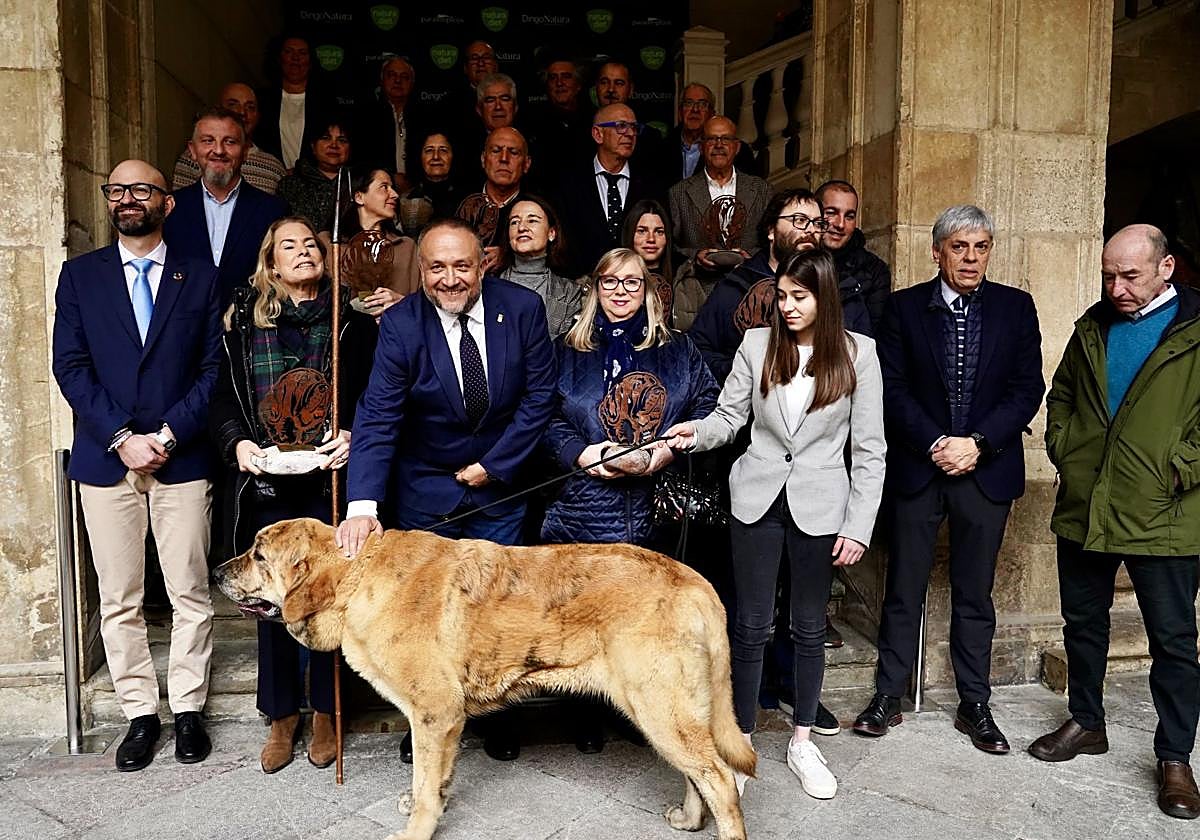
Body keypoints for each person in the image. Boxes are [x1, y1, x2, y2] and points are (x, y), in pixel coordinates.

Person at [665, 248, 886, 800]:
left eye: (799, 297)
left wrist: (858, 525)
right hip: (757, 498)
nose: (785, 307)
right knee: (751, 625)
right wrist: (695, 432)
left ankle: (803, 740)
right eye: (781, 295)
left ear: (825, 298)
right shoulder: (756, 344)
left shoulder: (860, 355)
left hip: (821, 502)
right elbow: (728, 417)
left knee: (809, 627)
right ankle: (740, 741)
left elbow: (871, 449)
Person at [336, 218, 556, 762]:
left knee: (498, 606)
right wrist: (361, 505)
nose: (450, 279)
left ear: (483, 263)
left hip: (499, 486)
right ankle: (426, 716)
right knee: (426, 612)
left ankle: (498, 714)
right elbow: (379, 415)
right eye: (436, 267)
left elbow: (540, 400)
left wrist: (494, 464)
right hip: (425, 489)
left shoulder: (523, 310)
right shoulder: (402, 324)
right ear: (422, 269)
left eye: (462, 266)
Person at [852, 205, 1044, 754]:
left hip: (987, 469)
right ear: (937, 252)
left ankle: (975, 704)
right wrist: (936, 442)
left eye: (981, 247)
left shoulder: (1015, 307)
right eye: (959, 247)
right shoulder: (905, 308)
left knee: (975, 592)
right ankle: (888, 695)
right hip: (920, 467)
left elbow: (1027, 388)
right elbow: (892, 386)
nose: (971, 258)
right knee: (903, 588)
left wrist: (977, 444)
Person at [51, 159, 222, 772]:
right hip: (106, 459)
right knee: (120, 596)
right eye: (117, 190)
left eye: (142, 189)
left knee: (190, 592)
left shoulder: (198, 278)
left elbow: (212, 371)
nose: (127, 199)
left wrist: (169, 434)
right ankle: (140, 715)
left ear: (166, 203)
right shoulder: (80, 277)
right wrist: (123, 436)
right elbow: (70, 367)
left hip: (183, 455)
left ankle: (190, 710)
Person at [1033, 224, 1200, 819]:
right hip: (1087, 505)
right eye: (1108, 275)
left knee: (1174, 641)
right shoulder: (1091, 328)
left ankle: (1175, 757)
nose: (1116, 287)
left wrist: (1180, 468)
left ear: (1166, 268)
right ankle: (1086, 722)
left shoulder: (1194, 332)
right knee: (1083, 623)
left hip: (1165, 514)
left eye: (1130, 275)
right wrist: (1066, 450)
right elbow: (1063, 397)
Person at [208, 217, 377, 774]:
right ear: (270, 261)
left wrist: (353, 433)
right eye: (289, 246)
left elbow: (375, 393)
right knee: (270, 594)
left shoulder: (348, 321)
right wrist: (237, 445)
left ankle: (328, 708)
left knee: (328, 591)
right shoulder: (242, 325)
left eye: (311, 244)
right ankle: (282, 714)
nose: (303, 252)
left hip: (329, 477)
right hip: (268, 478)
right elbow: (223, 395)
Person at [541, 246, 718, 755]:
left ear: (649, 291)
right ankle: (584, 714)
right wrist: (582, 453)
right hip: (581, 508)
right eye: (611, 281)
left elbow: (707, 405)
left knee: (643, 620)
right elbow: (545, 418)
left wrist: (668, 448)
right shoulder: (565, 350)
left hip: (652, 509)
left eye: (632, 282)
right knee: (581, 616)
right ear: (595, 288)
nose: (621, 291)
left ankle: (635, 712)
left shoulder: (678, 349)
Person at [689, 189, 824, 380]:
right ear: (771, 230)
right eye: (800, 220)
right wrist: (740, 373)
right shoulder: (736, 286)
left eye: (818, 223)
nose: (811, 230)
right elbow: (697, 348)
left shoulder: (835, 288)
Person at [163, 106, 287, 307]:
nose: (219, 150)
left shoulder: (273, 211)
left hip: (250, 328)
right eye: (208, 141)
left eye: (230, 142)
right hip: (185, 330)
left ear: (245, 151)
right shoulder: (170, 208)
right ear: (192, 150)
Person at [555, 103, 660, 278]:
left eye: (634, 127)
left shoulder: (651, 184)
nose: (630, 133)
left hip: (636, 285)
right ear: (598, 134)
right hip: (580, 286)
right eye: (621, 126)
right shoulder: (569, 183)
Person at [668, 116, 771, 271]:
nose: (718, 145)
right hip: (699, 286)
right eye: (712, 139)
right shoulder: (679, 193)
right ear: (702, 147)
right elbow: (671, 247)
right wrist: (696, 256)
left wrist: (750, 256)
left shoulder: (762, 190)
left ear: (736, 147)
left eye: (726, 139)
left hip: (748, 282)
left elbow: (772, 241)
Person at [319, 167, 419, 318]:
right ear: (359, 197)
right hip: (345, 337)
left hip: (398, 336)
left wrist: (401, 303)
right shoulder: (328, 244)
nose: (395, 195)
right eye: (384, 187)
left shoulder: (407, 247)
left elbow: (426, 307)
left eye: (393, 188)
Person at [171, 82, 285, 194]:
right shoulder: (192, 159)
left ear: (258, 115)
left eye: (250, 107)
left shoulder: (274, 167)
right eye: (233, 105)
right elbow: (180, 206)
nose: (242, 112)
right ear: (218, 109)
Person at [495, 195, 582, 338]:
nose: (522, 227)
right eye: (514, 222)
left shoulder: (570, 292)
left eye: (532, 220)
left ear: (551, 233)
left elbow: (567, 347)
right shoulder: (488, 287)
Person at [816, 179, 890, 335]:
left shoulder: (874, 271)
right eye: (831, 213)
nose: (840, 224)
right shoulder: (795, 259)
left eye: (849, 216)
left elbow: (874, 339)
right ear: (814, 213)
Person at [455, 126, 531, 271]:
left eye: (513, 152)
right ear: (483, 159)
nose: (504, 159)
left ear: (526, 164)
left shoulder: (537, 207)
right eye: (496, 151)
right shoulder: (459, 203)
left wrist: (509, 255)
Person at [257, 35, 329, 171]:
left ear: (311, 61)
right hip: (270, 175)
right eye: (289, 51)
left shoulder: (325, 102)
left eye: (302, 53)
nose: (295, 58)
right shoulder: (262, 100)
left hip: (312, 180)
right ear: (279, 58)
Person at [662, 83, 758, 183]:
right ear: (680, 112)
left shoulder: (737, 152)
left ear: (712, 113)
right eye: (689, 103)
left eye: (703, 104)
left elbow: (751, 191)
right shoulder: (661, 149)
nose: (695, 110)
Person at [356, 56, 424, 193]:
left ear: (412, 83)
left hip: (419, 191)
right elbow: (360, 160)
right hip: (377, 191)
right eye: (392, 75)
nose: (398, 80)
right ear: (382, 80)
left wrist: (413, 179)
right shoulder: (365, 117)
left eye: (404, 76)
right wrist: (390, 177)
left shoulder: (424, 116)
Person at [276, 117, 351, 232]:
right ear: (313, 146)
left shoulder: (360, 184)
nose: (334, 145)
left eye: (342, 140)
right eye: (326, 138)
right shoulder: (290, 185)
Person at [621, 199, 674, 324]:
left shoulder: (682, 278)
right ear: (630, 234)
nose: (651, 239)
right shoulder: (612, 280)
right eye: (642, 231)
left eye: (659, 232)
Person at [403, 131, 466, 232]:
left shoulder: (468, 201)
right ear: (419, 157)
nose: (436, 156)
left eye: (443, 150)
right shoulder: (404, 200)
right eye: (429, 150)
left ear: (454, 156)